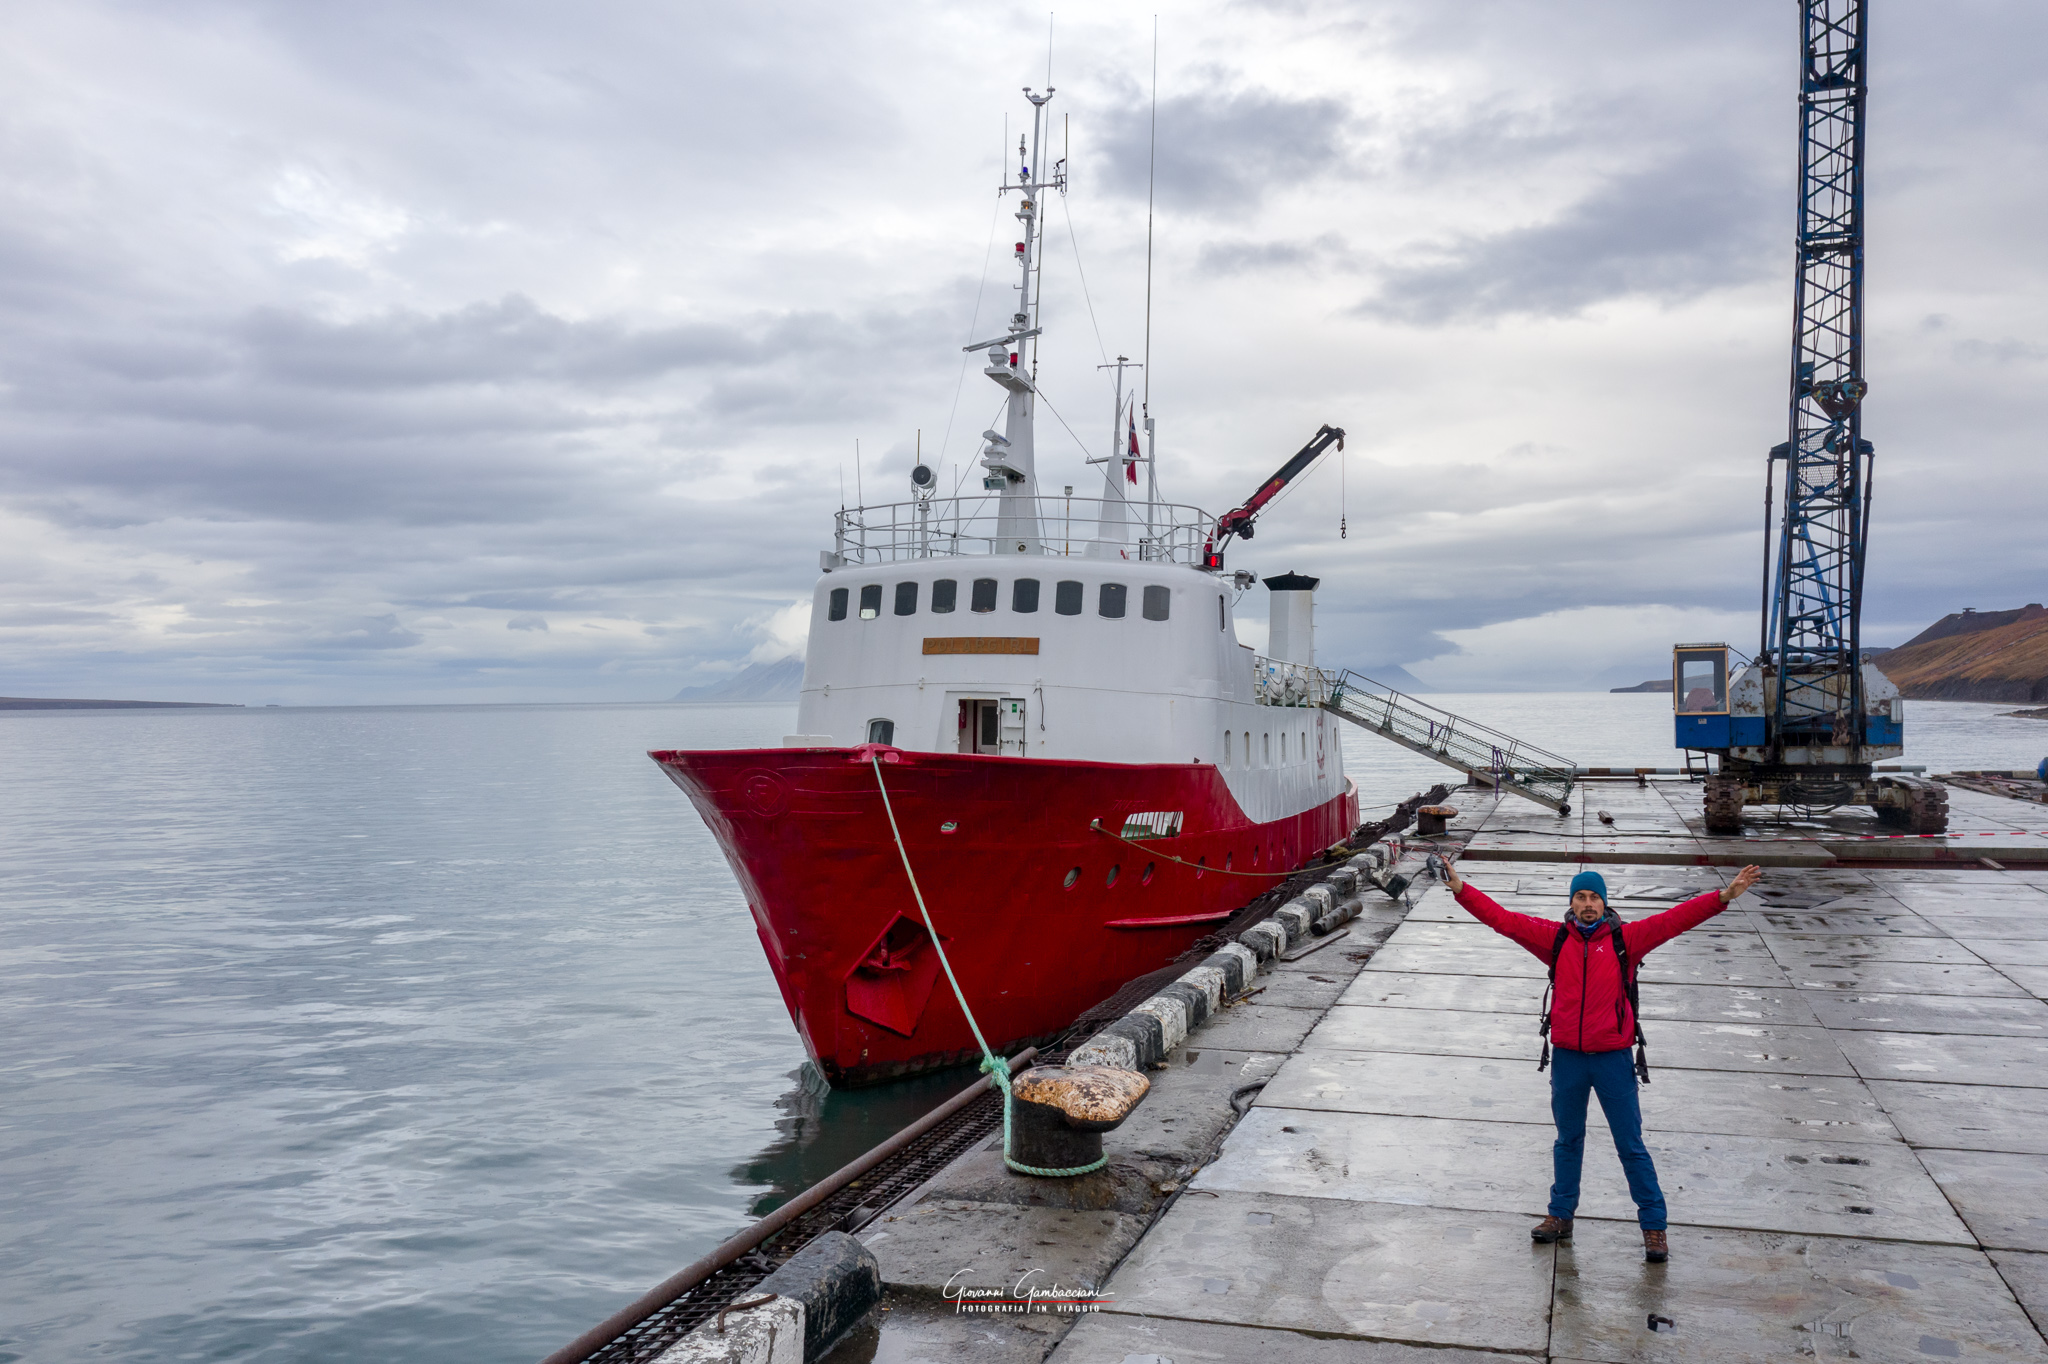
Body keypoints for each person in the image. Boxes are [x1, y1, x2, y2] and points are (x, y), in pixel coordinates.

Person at [1437, 859, 1764, 1263]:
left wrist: (1722, 897)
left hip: (1613, 1058)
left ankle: (1654, 1227)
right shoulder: (1554, 939)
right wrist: (1460, 888)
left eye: (1594, 897)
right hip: (1569, 1059)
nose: (1587, 904)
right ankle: (1560, 1216)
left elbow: (1675, 919)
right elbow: (1502, 920)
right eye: (1580, 897)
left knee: (1630, 1145)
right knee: (1567, 1141)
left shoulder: (1627, 939)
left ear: (1605, 903)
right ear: (1571, 902)